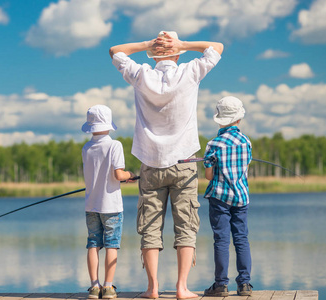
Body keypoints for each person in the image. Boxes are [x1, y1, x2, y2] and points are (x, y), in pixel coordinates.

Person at [109, 31, 224, 299]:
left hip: (150, 162)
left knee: (150, 227)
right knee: (186, 226)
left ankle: (153, 288)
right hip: (183, 162)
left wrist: (148, 45)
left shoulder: (141, 75)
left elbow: (115, 50)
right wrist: (183, 45)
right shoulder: (191, 71)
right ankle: (182, 288)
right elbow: (217, 47)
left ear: (154, 54)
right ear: (176, 53)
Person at [81, 104, 137, 299]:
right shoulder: (115, 145)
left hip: (91, 204)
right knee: (112, 244)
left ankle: (94, 286)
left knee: (93, 244)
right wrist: (130, 174)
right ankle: (108, 287)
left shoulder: (86, 147)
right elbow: (118, 174)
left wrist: (120, 177)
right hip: (111, 206)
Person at [202, 96, 253, 297]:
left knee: (221, 240)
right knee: (241, 239)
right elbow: (245, 169)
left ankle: (221, 284)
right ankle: (245, 285)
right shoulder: (246, 141)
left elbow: (208, 176)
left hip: (219, 197)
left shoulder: (213, 144)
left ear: (220, 120)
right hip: (241, 197)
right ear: (238, 119)